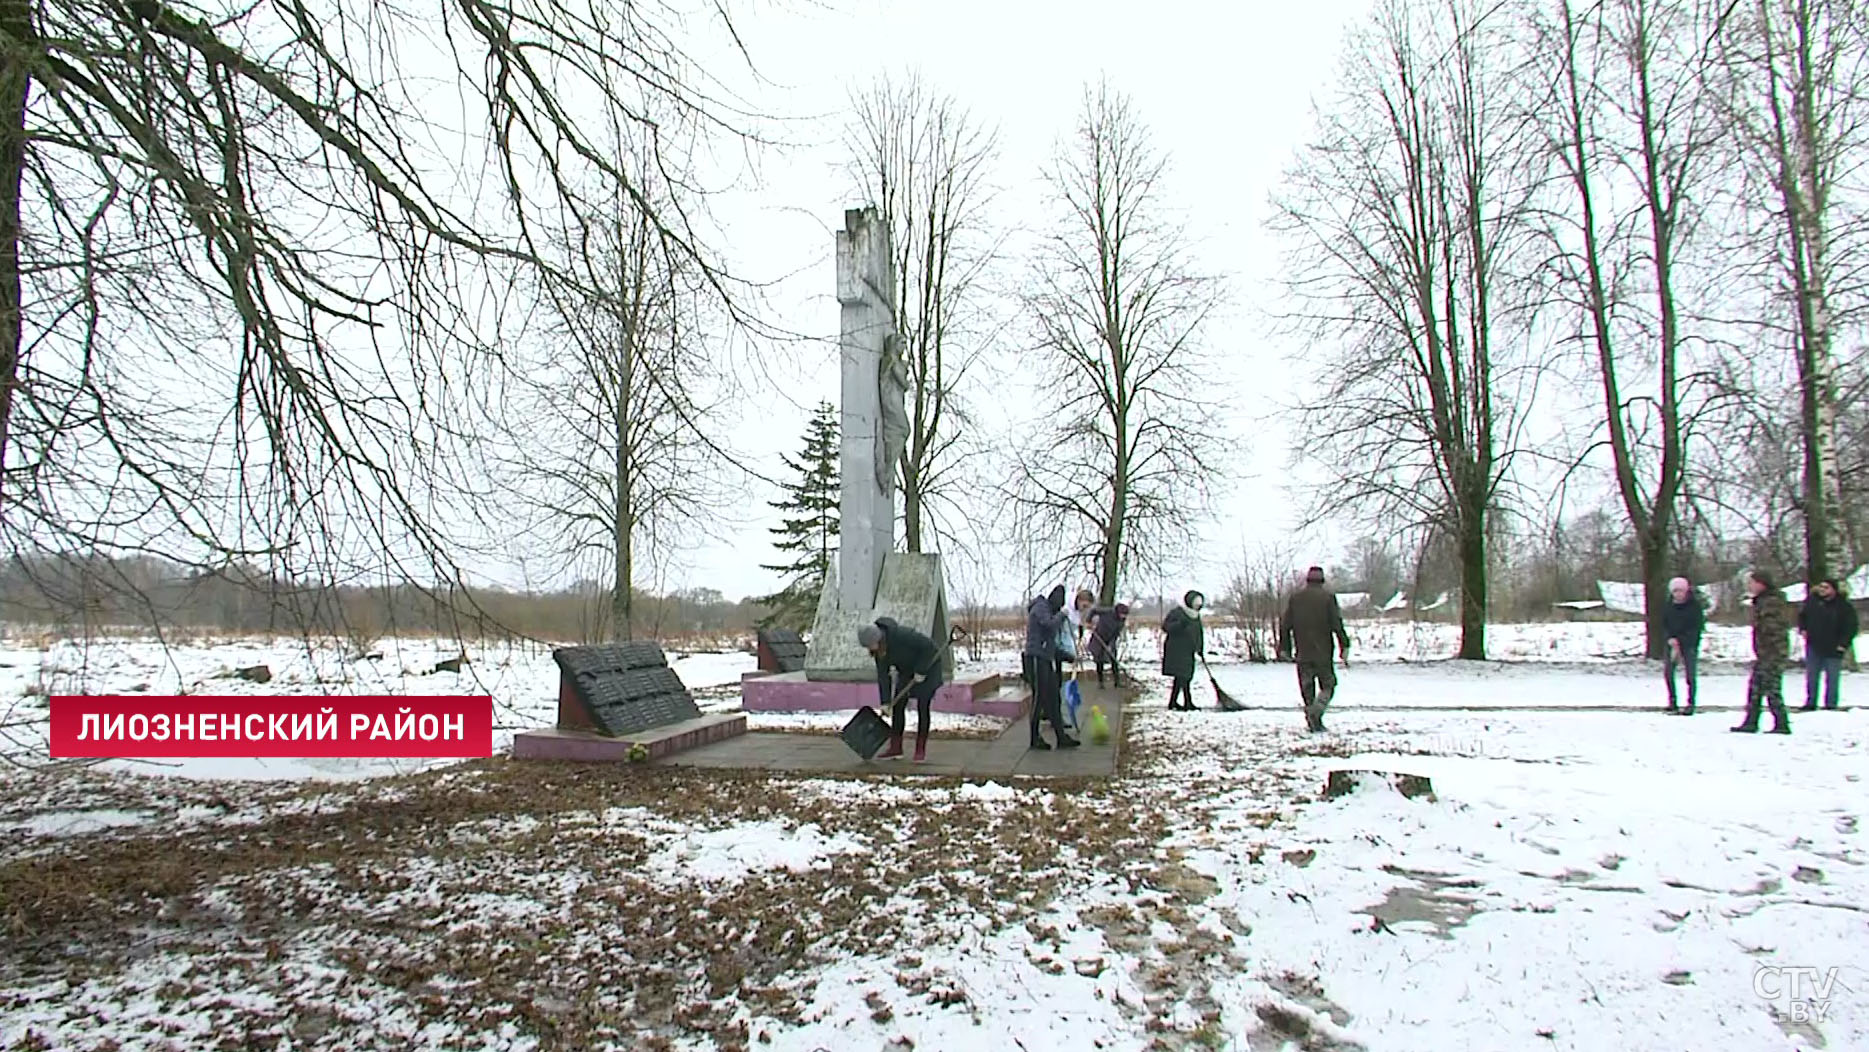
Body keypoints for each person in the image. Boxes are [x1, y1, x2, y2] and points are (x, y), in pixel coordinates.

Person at [858, 617, 946, 762]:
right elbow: (883, 676)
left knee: (923, 707)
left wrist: (921, 670)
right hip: (907, 671)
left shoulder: (902, 635)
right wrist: (885, 702)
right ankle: (896, 748)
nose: (869, 649)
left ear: (878, 639)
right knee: (898, 706)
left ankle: (920, 749)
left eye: (870, 645)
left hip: (928, 668)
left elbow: (929, 647)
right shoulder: (880, 652)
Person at [1278, 566, 1351, 733]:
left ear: (1308, 580)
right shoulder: (1328, 598)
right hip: (1323, 653)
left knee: (1307, 688)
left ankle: (1313, 718)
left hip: (1302, 653)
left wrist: (1285, 648)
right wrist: (1344, 644)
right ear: (1322, 580)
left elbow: (1285, 626)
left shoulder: (1296, 599)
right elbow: (1336, 624)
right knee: (1329, 685)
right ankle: (1316, 713)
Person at [1734, 569, 1793, 735]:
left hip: (1772, 652)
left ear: (1761, 583)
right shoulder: (1761, 600)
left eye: (1752, 583)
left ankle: (1781, 723)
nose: (1750, 586)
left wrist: (1770, 650)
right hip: (1764, 652)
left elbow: (1772, 628)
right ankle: (1751, 721)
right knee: (1756, 687)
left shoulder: (1771, 602)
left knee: (1772, 688)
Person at [1023, 585, 1079, 750]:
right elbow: (1049, 625)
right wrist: (1062, 614)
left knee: (1053, 698)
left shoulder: (1048, 611)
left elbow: (1050, 644)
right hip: (1035, 659)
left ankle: (1061, 738)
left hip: (1045, 659)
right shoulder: (1041, 608)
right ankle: (1034, 739)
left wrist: (1068, 657)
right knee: (1039, 700)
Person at [1798, 577, 1859, 711]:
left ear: (1834, 590)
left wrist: (1843, 644)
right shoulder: (1812, 603)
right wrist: (1803, 629)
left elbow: (1851, 627)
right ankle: (1811, 702)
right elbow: (1802, 617)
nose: (1822, 590)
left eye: (1826, 587)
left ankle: (1831, 704)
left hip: (1834, 646)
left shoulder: (1843, 606)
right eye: (1821, 587)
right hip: (1814, 644)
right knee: (1812, 676)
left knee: (1832, 678)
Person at [1662, 577, 1706, 716]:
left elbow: (1696, 627)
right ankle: (1672, 701)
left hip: (1689, 644)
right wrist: (1670, 638)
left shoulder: (1694, 607)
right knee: (1668, 672)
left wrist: (1681, 640)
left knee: (1690, 675)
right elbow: (1664, 624)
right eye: (1675, 591)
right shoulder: (1668, 606)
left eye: (1681, 590)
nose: (1678, 594)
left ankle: (1691, 702)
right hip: (1672, 643)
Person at [1161, 589, 1207, 711]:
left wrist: (1200, 648)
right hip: (1176, 650)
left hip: (1188, 650)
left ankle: (1174, 702)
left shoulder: (1195, 616)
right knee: (1183, 676)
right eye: (1196, 603)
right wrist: (1180, 625)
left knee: (1184, 676)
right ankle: (1187, 702)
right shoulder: (1177, 613)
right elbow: (1166, 627)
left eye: (1200, 604)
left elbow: (1198, 633)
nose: (1198, 606)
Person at [1087, 602, 1131, 687]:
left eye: (1125, 615)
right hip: (1098, 638)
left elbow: (1116, 633)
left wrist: (1111, 645)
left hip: (1111, 639)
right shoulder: (1107, 611)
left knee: (1114, 659)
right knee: (1099, 660)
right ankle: (1100, 682)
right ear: (1118, 612)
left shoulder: (1122, 620)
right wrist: (1089, 621)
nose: (1123, 617)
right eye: (1122, 614)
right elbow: (1093, 610)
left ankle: (1117, 682)